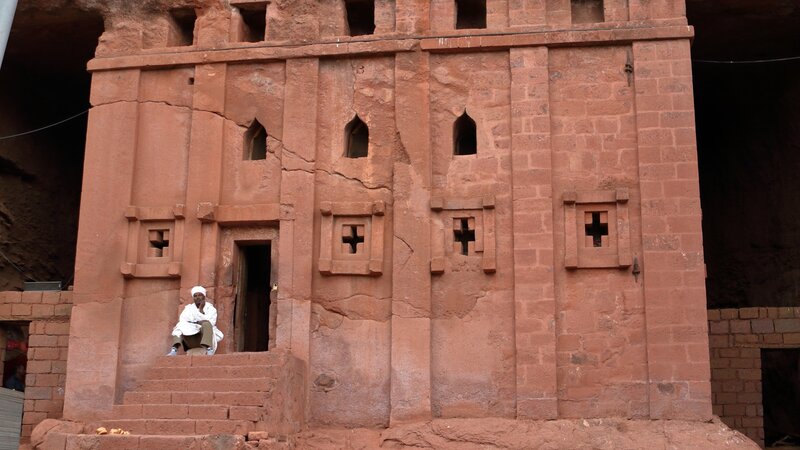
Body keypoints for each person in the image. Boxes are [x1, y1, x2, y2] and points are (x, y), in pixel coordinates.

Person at [167, 286, 223, 356]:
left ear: (204, 297)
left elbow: (211, 323)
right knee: (179, 325)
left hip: (204, 337)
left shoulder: (211, 309)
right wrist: (198, 322)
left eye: (200, 295)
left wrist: (201, 311)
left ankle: (209, 349)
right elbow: (183, 320)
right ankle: (174, 350)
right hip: (191, 338)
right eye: (195, 296)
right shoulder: (189, 308)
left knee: (206, 324)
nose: (197, 297)